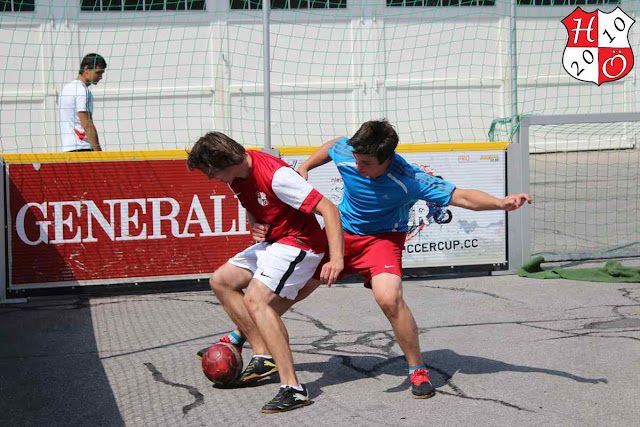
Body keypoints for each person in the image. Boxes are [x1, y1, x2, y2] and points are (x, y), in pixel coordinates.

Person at [217, 119, 531, 400]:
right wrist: (308, 166)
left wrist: (501, 203)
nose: (356, 165)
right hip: (342, 233)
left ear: (387, 160)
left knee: (389, 299)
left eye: (366, 162)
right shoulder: (349, 152)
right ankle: (241, 336)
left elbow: (462, 196)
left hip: (382, 240)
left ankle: (417, 369)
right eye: (355, 157)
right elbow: (334, 146)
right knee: (292, 292)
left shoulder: (410, 179)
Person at [187, 131, 344, 413]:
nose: (212, 179)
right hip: (276, 242)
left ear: (228, 162)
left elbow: (329, 210)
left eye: (212, 173)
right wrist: (254, 224)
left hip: (301, 244)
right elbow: (255, 205)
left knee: (256, 300)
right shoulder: (236, 175)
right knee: (221, 281)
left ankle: (293, 389)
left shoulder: (277, 176)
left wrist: (336, 259)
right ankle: (262, 352)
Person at [58, 53, 106, 152]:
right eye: (98, 72)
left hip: (67, 149)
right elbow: (87, 125)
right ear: (86, 69)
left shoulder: (66, 89)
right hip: (82, 148)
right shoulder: (82, 91)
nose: (101, 77)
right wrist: (99, 154)